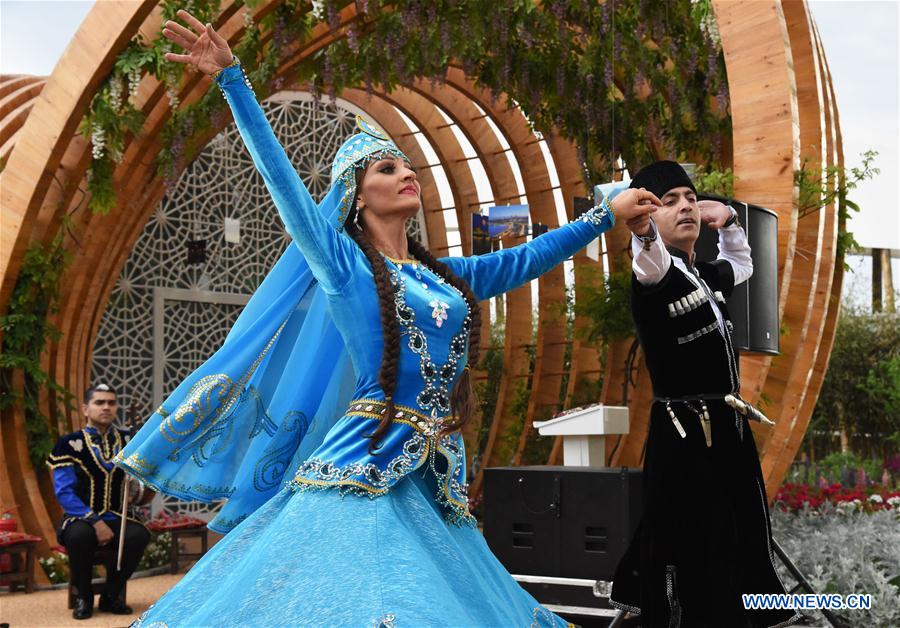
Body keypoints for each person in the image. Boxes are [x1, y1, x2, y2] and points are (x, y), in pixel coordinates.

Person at [114, 10, 658, 626]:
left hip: (431, 476)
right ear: (355, 192)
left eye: (408, 166)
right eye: (387, 168)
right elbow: (283, 183)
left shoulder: (447, 274)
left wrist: (602, 215)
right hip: (361, 468)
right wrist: (234, 80)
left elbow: (528, 257)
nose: (408, 174)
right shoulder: (343, 265)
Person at [608, 161, 799, 627]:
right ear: (647, 215)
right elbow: (647, 256)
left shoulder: (703, 274)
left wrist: (730, 221)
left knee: (742, 528)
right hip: (686, 433)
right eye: (669, 201)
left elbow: (742, 265)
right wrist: (642, 232)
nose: (686, 207)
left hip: (726, 428)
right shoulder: (654, 272)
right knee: (699, 538)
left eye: (690, 199)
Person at [47, 384, 154, 620]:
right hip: (80, 517)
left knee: (139, 535)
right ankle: (83, 597)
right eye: (99, 402)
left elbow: (144, 477)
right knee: (80, 536)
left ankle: (111, 595)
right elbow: (64, 492)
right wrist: (95, 521)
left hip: (118, 515)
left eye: (111, 402)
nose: (106, 407)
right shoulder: (69, 444)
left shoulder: (130, 441)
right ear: (86, 408)